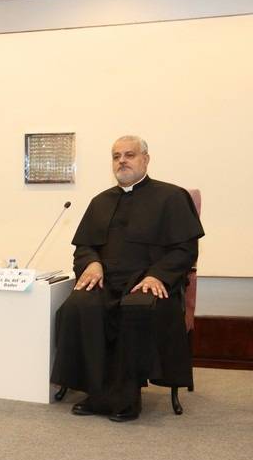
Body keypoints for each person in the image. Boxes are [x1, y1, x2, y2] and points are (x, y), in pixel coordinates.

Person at [51, 136, 204, 422]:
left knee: (137, 308)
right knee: (78, 305)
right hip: (106, 280)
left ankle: (127, 397)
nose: (122, 161)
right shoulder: (100, 201)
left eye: (129, 154)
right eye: (116, 156)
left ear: (146, 159)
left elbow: (185, 249)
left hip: (148, 280)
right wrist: (92, 264)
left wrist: (157, 275)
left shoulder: (172, 197)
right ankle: (95, 392)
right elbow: (84, 247)